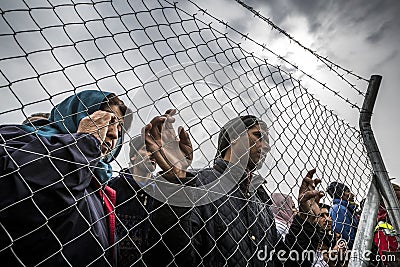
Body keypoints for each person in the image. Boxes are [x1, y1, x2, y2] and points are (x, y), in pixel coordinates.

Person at [145, 112, 324, 266]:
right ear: (233, 137)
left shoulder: (261, 204)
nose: (267, 146)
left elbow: (284, 262)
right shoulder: (197, 184)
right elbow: (170, 257)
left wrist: (305, 220)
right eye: (258, 136)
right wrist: (175, 183)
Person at [0, 90, 129, 266]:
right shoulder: (14, 138)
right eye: (107, 120)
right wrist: (83, 144)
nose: (114, 135)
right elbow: (17, 198)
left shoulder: (99, 186)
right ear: (77, 115)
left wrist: (176, 179)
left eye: (119, 130)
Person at [108, 135, 158, 267]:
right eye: (147, 149)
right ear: (133, 156)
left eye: (156, 150)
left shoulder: (161, 193)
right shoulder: (114, 187)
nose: (153, 154)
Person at [327, 181, 359, 249]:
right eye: (348, 192)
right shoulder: (339, 209)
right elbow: (345, 234)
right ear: (340, 194)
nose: (352, 195)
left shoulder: (346, 209)